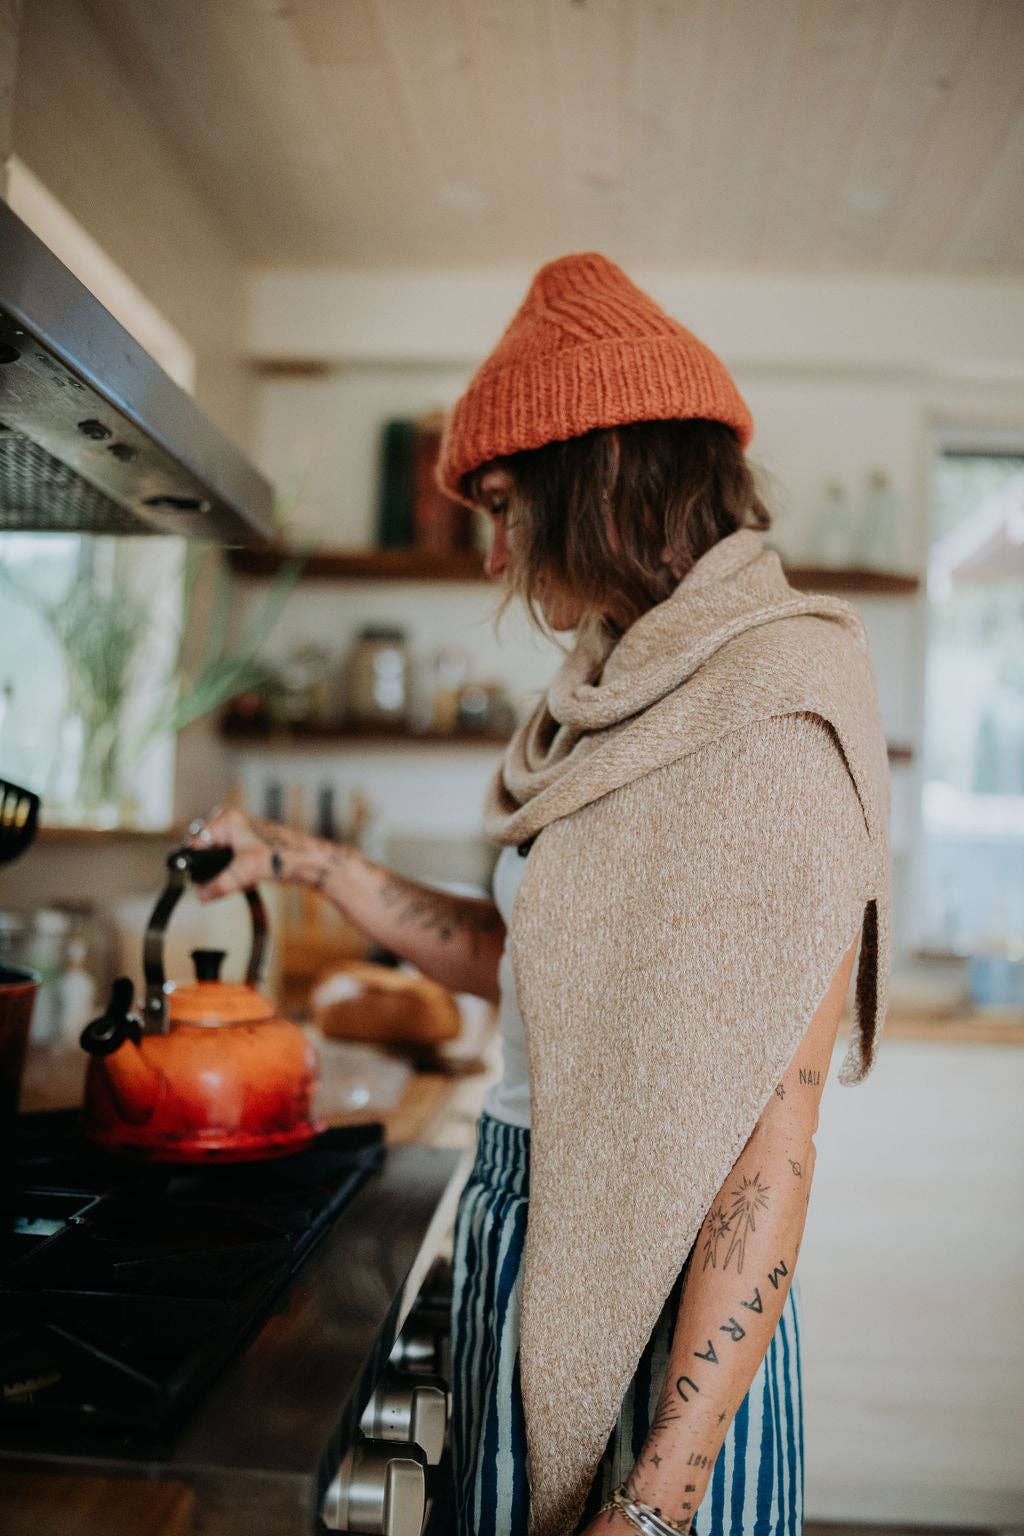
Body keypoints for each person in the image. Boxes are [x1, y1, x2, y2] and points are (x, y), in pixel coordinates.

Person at [190, 252, 891, 1536]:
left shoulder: (773, 714)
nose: (496, 556)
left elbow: (767, 1150)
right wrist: (310, 861)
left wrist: (659, 1500)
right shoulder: (608, 700)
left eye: (510, 507)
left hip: (668, 1323)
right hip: (526, 1233)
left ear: (605, 473)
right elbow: (530, 960)